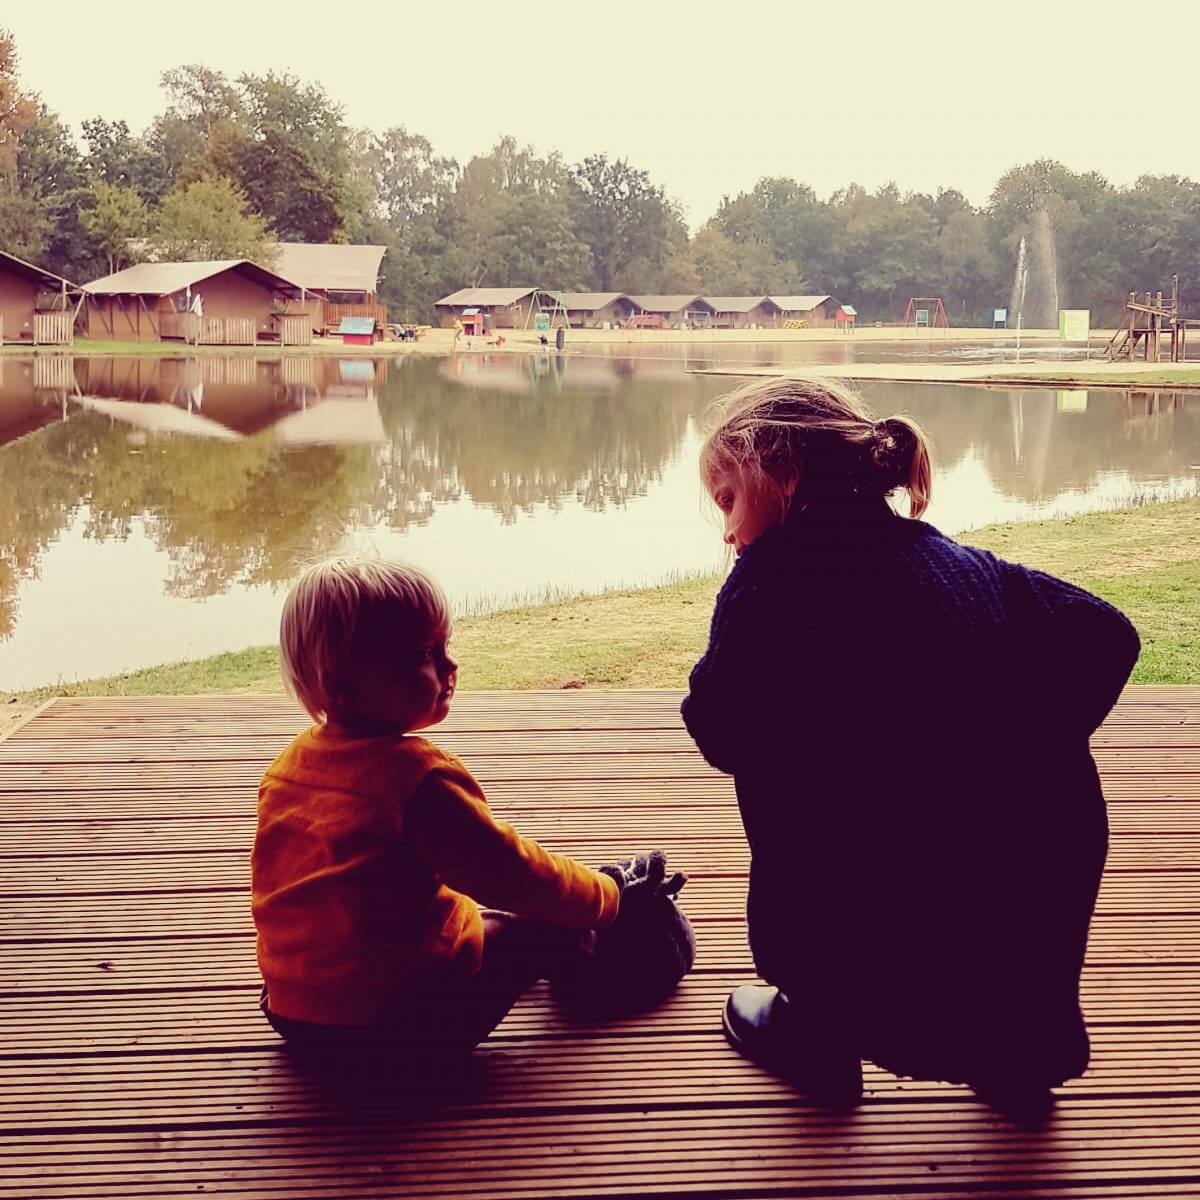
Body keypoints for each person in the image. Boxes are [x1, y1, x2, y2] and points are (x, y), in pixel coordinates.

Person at [681, 376, 1140, 1119]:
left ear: (785, 472)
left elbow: (719, 729)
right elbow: (1108, 634)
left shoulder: (769, 576)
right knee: (998, 834)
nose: (727, 533)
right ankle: (1014, 1060)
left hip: (867, 904)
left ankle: (821, 1029)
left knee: (796, 793)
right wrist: (1027, 747)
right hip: (1026, 880)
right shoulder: (959, 562)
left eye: (728, 500)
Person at [252, 558, 625, 1068]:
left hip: (294, 1013)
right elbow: (511, 874)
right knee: (539, 925)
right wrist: (604, 897)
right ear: (346, 685)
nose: (449, 669)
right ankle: (603, 972)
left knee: (476, 920)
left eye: (445, 648)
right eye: (425, 654)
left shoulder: (286, 768)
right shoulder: (416, 781)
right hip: (399, 1028)